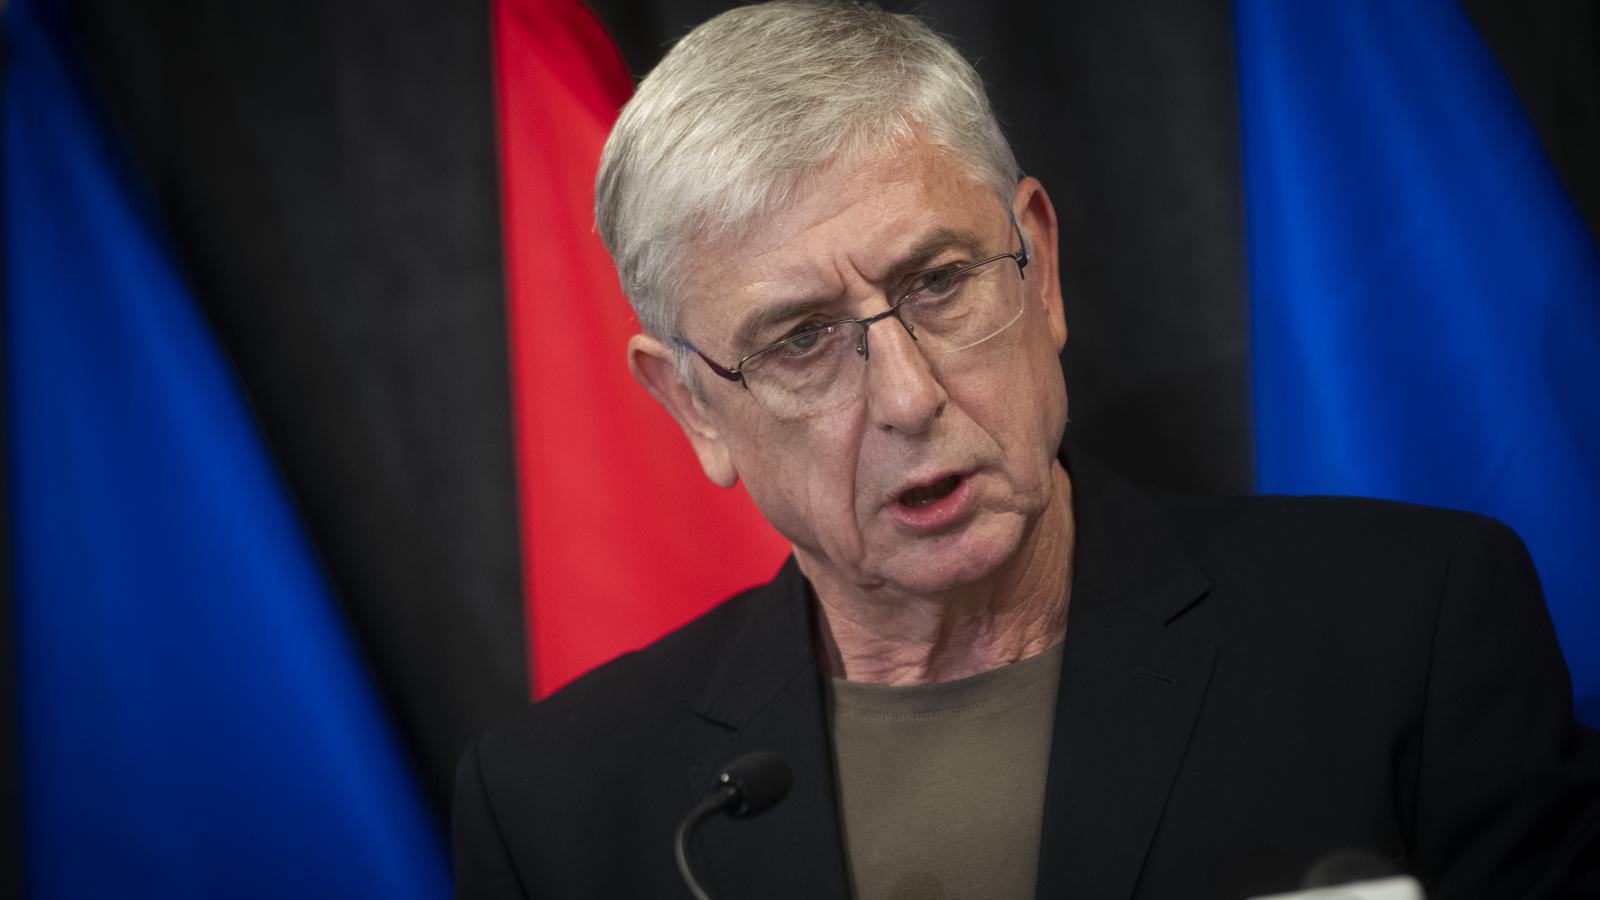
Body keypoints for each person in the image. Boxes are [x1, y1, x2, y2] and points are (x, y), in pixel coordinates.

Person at [452, 3, 1600, 898]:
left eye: (938, 282)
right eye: (801, 339)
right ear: (693, 404)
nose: (908, 397)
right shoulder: (556, 806)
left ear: (1038, 266)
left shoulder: (1407, 630)